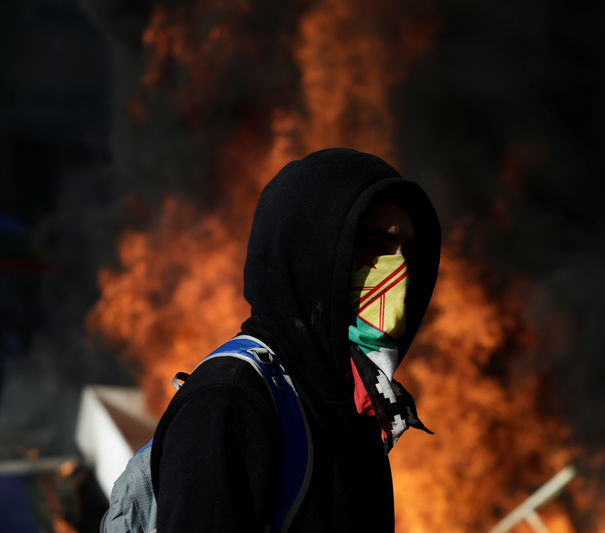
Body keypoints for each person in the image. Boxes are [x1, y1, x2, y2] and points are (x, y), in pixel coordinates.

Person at [150, 148, 441, 532]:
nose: (398, 271)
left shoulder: (356, 408)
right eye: (374, 246)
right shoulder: (229, 402)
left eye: (408, 252)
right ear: (310, 252)